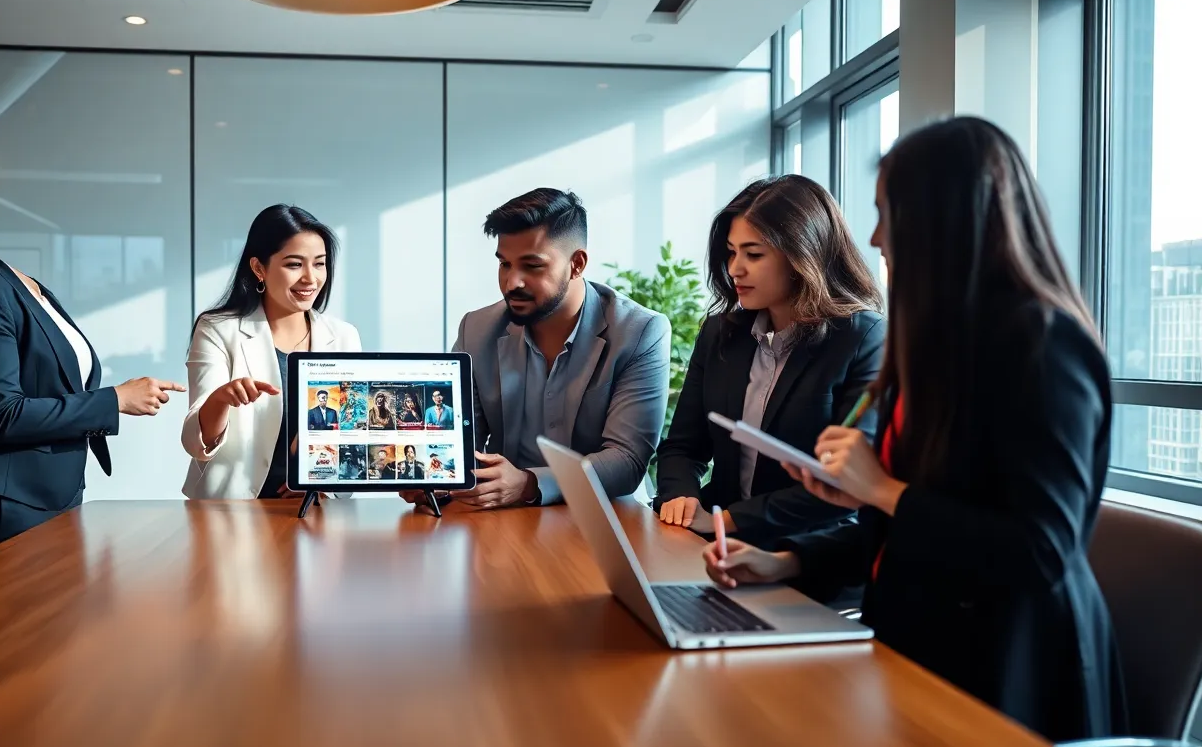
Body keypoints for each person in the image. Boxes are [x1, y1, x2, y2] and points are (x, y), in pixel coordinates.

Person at [704, 117, 1129, 746]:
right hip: (918, 646)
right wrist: (786, 561)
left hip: (1010, 676)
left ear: (944, 218)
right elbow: (903, 531)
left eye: (887, 213)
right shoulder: (938, 345)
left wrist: (882, 490)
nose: (875, 236)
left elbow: (1039, 551)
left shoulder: (1042, 346)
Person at [653, 176, 885, 546]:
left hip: (806, 552)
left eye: (754, 254)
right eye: (731, 252)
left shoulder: (865, 339)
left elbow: (845, 483)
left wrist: (727, 521)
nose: (735, 269)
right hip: (713, 542)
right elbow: (683, 446)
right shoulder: (720, 333)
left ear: (802, 256)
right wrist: (682, 497)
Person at [409, 188, 669, 509]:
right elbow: (461, 446)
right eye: (505, 264)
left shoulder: (639, 332)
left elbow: (626, 460)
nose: (512, 282)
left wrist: (530, 483)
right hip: (505, 516)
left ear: (576, 264)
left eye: (532, 266)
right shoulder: (475, 330)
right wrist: (436, 477)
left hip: (607, 514)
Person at [0, 257, 183, 559]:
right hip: (10, 501)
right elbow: (1, 414)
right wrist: (114, 399)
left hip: (57, 496)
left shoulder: (39, 294)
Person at [181, 204, 361, 500]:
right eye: (294, 264)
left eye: (319, 264)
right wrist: (221, 399)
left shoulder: (344, 336)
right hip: (232, 508)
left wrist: (319, 482)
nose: (310, 278)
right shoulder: (218, 328)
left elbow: (351, 434)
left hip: (312, 507)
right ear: (258, 268)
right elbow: (195, 441)